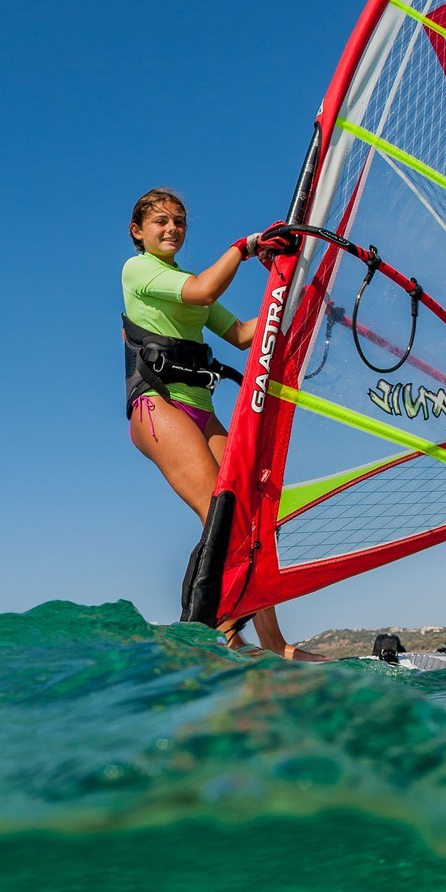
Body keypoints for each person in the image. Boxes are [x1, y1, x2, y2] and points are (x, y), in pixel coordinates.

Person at [123, 187, 321, 660]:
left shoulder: (187, 279)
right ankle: (211, 637)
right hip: (158, 406)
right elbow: (205, 290)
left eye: (180, 222)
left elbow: (242, 335)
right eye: (161, 222)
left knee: (250, 517)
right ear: (139, 232)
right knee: (221, 515)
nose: (172, 229)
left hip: (201, 409)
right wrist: (245, 246)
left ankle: (272, 644)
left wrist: (299, 287)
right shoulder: (139, 270)